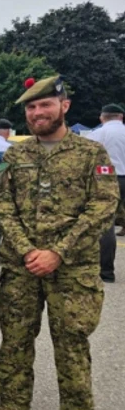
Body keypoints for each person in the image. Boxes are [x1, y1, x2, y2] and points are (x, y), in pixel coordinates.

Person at [0, 76, 118, 410]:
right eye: (31, 107)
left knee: (72, 346)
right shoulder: (16, 155)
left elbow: (104, 205)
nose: (37, 112)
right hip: (21, 266)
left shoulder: (91, 153)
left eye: (45, 105)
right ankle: (13, 407)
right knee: (15, 339)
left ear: (64, 106)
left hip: (72, 269)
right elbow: (2, 203)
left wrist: (58, 251)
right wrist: (27, 249)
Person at [87, 103, 125, 283]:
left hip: (106, 178)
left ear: (102, 118)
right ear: (121, 117)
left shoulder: (96, 134)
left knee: (107, 224)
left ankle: (107, 272)